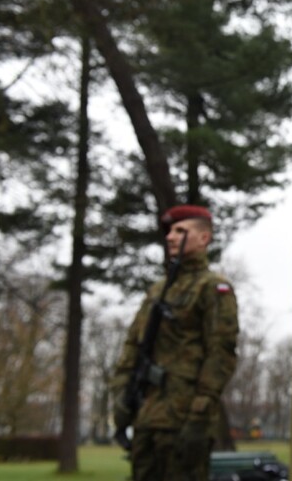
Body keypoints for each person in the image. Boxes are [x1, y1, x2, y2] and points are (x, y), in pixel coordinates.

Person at [112, 205, 239, 481]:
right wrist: (121, 393)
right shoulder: (158, 290)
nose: (170, 237)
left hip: (184, 417)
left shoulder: (213, 288)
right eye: (170, 231)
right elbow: (133, 345)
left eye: (181, 231)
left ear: (204, 238)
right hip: (147, 416)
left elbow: (221, 353)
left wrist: (199, 413)